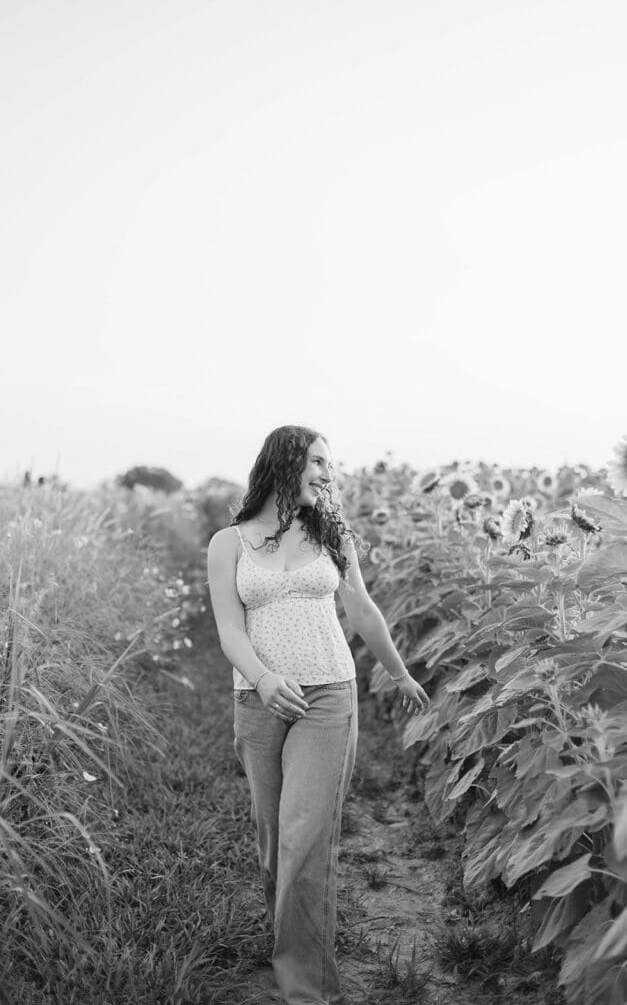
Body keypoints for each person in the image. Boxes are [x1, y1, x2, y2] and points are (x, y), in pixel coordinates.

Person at [206, 424, 430, 1005]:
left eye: (330, 465)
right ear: (284, 462)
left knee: (303, 838)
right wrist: (263, 678)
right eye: (318, 463)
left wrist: (400, 672)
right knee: (274, 837)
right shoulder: (228, 543)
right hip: (258, 700)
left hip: (328, 696)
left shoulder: (332, 534)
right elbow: (229, 629)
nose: (328, 474)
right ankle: (292, 942)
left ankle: (307, 990)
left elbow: (362, 609)